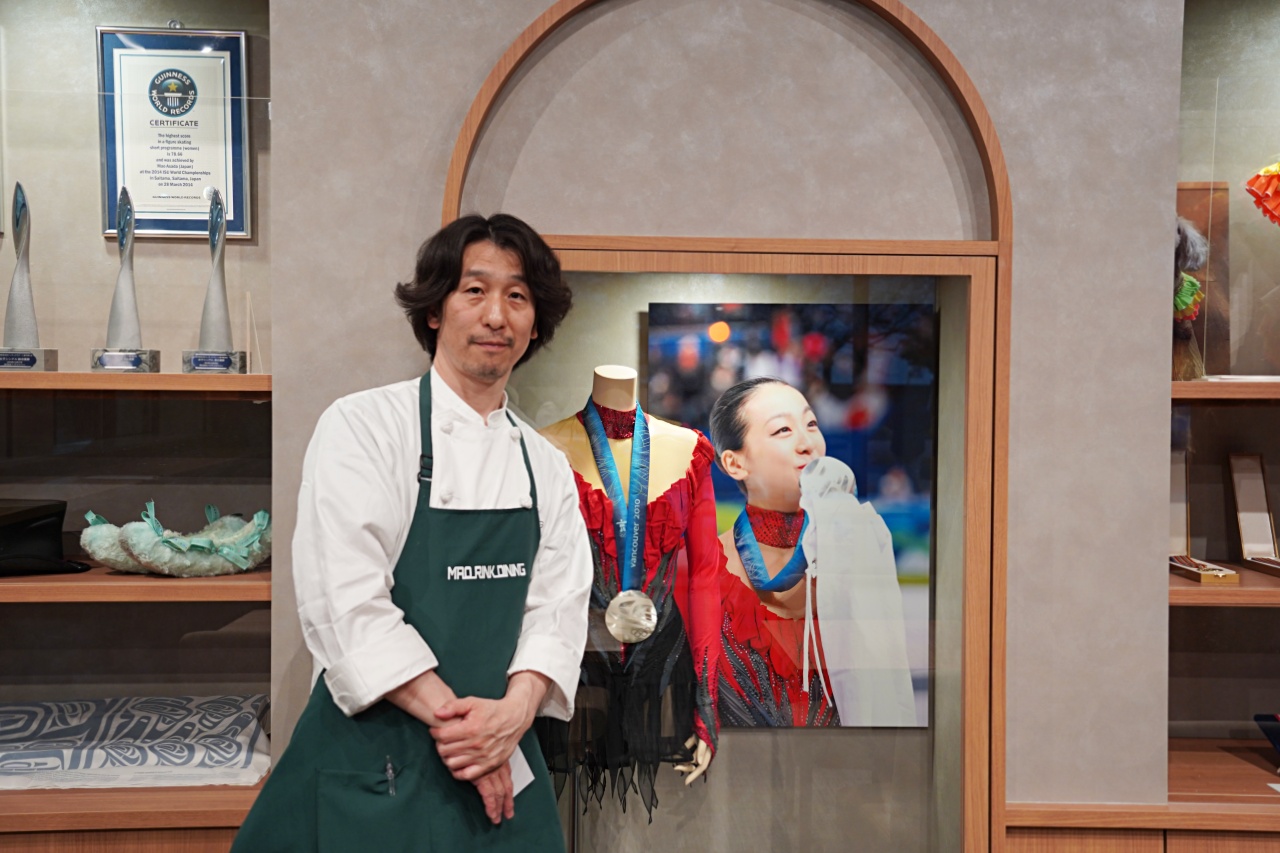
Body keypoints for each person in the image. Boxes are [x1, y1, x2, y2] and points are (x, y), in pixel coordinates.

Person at [232, 214, 592, 852]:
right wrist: (470, 737)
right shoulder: (364, 427)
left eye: (517, 296)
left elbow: (558, 614)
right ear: (434, 310)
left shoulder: (546, 466)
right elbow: (344, 603)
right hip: (376, 758)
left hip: (502, 754)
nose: (496, 316)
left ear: (536, 323)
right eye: (474, 290)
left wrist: (509, 721)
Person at [536, 365, 721, 818]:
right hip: (574, 665)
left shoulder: (688, 449)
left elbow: (705, 577)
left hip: (663, 669)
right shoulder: (543, 447)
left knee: (653, 824)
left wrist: (706, 702)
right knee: (567, 816)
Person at [710, 377, 914, 728]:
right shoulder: (704, 568)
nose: (808, 444)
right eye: (783, 430)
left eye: (811, 424)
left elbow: (888, 688)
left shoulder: (858, 545)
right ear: (735, 464)